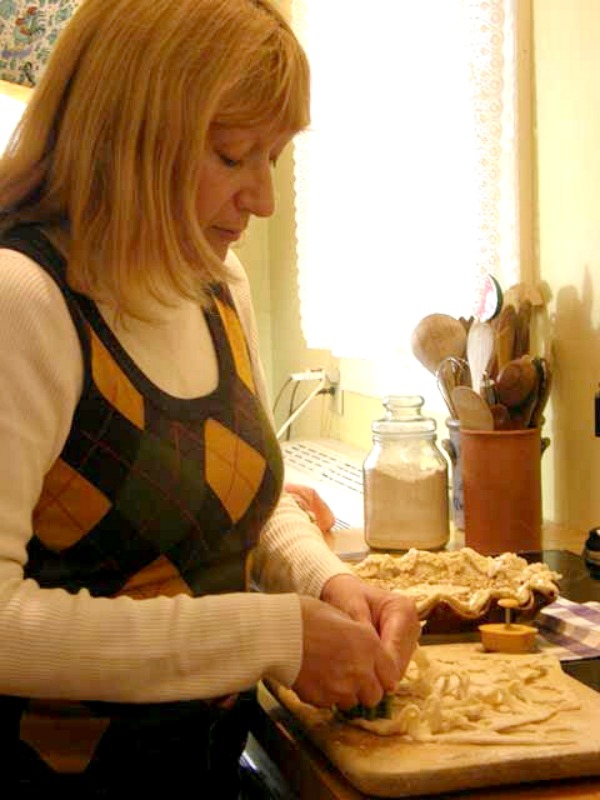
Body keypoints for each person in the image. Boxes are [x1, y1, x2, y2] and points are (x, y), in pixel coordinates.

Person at [0, 0, 420, 796]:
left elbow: (239, 502)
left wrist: (327, 583)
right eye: (232, 157)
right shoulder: (21, 300)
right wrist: (271, 634)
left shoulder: (214, 284)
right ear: (126, 141)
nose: (261, 199)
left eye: (274, 157)